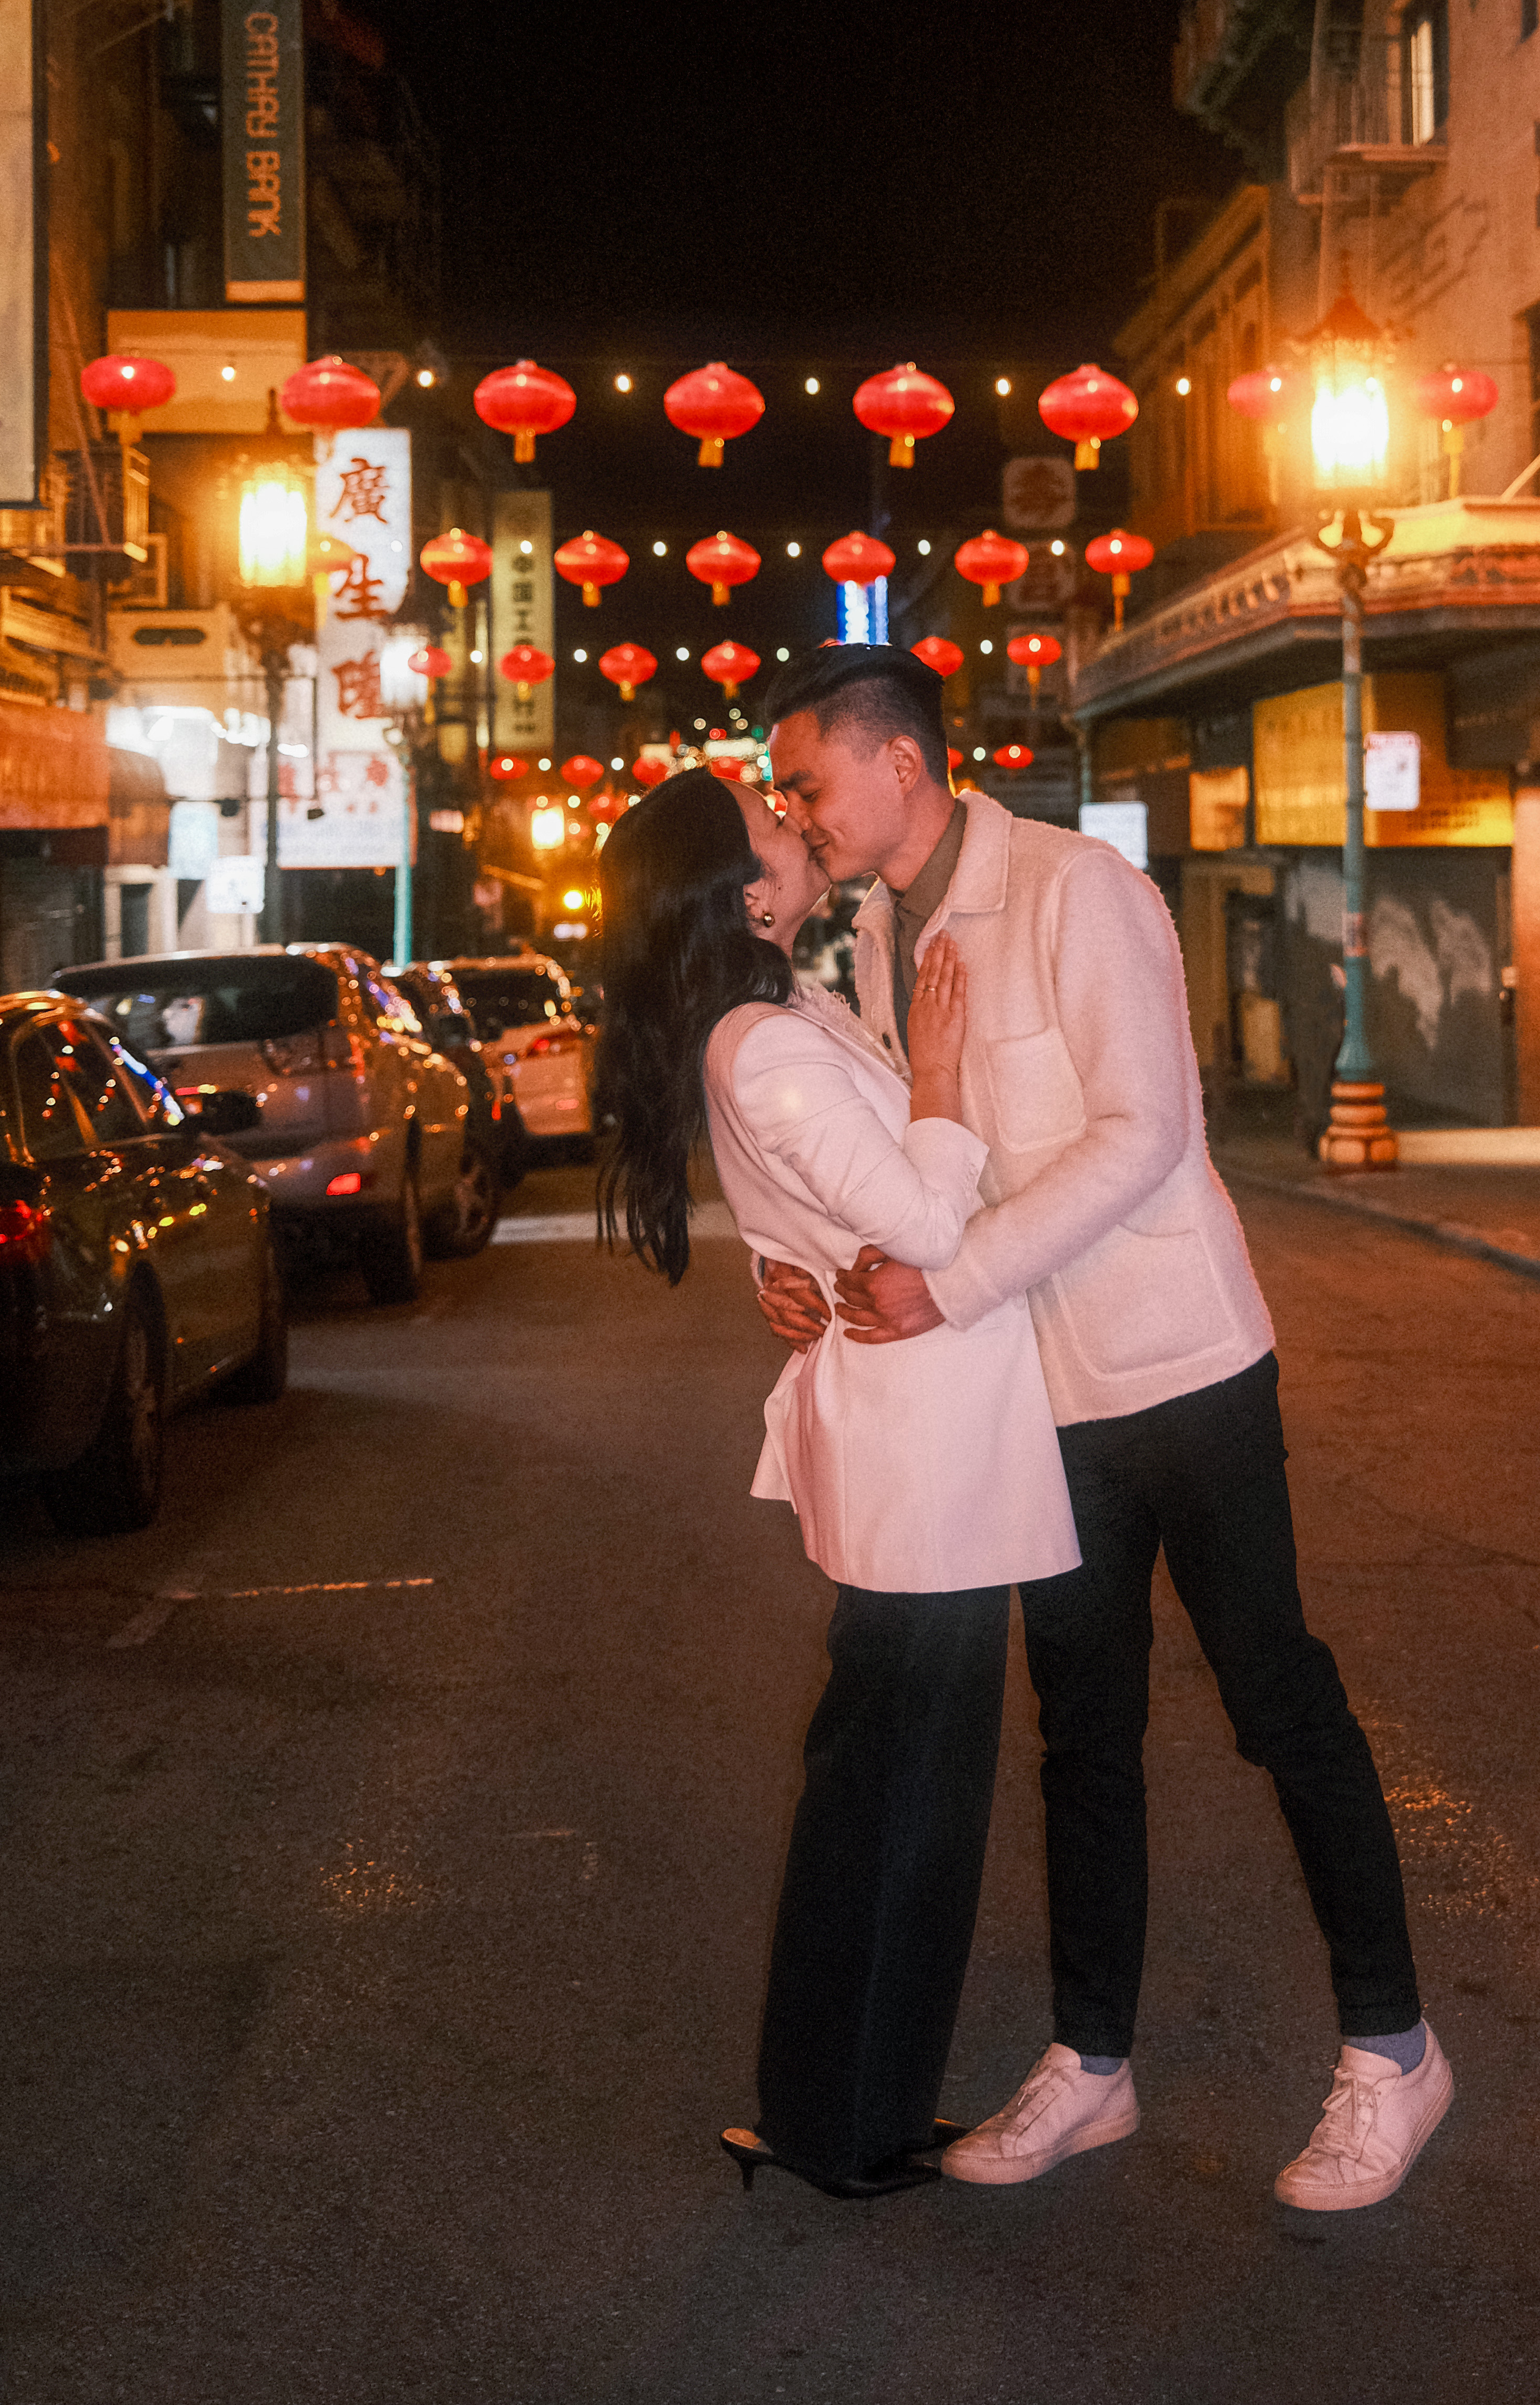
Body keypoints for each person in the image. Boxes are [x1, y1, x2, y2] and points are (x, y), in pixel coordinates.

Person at [758, 644, 1452, 2214]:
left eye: (806, 780)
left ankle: (1393, 2055)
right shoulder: (875, 937)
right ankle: (1093, 2063)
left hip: (1183, 1366)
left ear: (901, 764)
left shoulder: (1078, 890)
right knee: (1084, 1730)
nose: (792, 811)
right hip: (1034, 1396)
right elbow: (888, 1154)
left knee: (1280, 1703)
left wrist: (960, 1282)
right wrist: (795, 1270)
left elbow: (1149, 1131)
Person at [595, 763, 1078, 2202]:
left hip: (920, 1444)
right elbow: (927, 1218)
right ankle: (841, 2124)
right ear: (742, 893)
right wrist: (935, 1076)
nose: (797, 828)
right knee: (903, 1810)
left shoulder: (780, 1017)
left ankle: (843, 2109)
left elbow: (810, 1204)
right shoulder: (766, 1042)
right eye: (769, 827)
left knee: (885, 1795)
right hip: (924, 1457)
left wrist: (784, 1264)